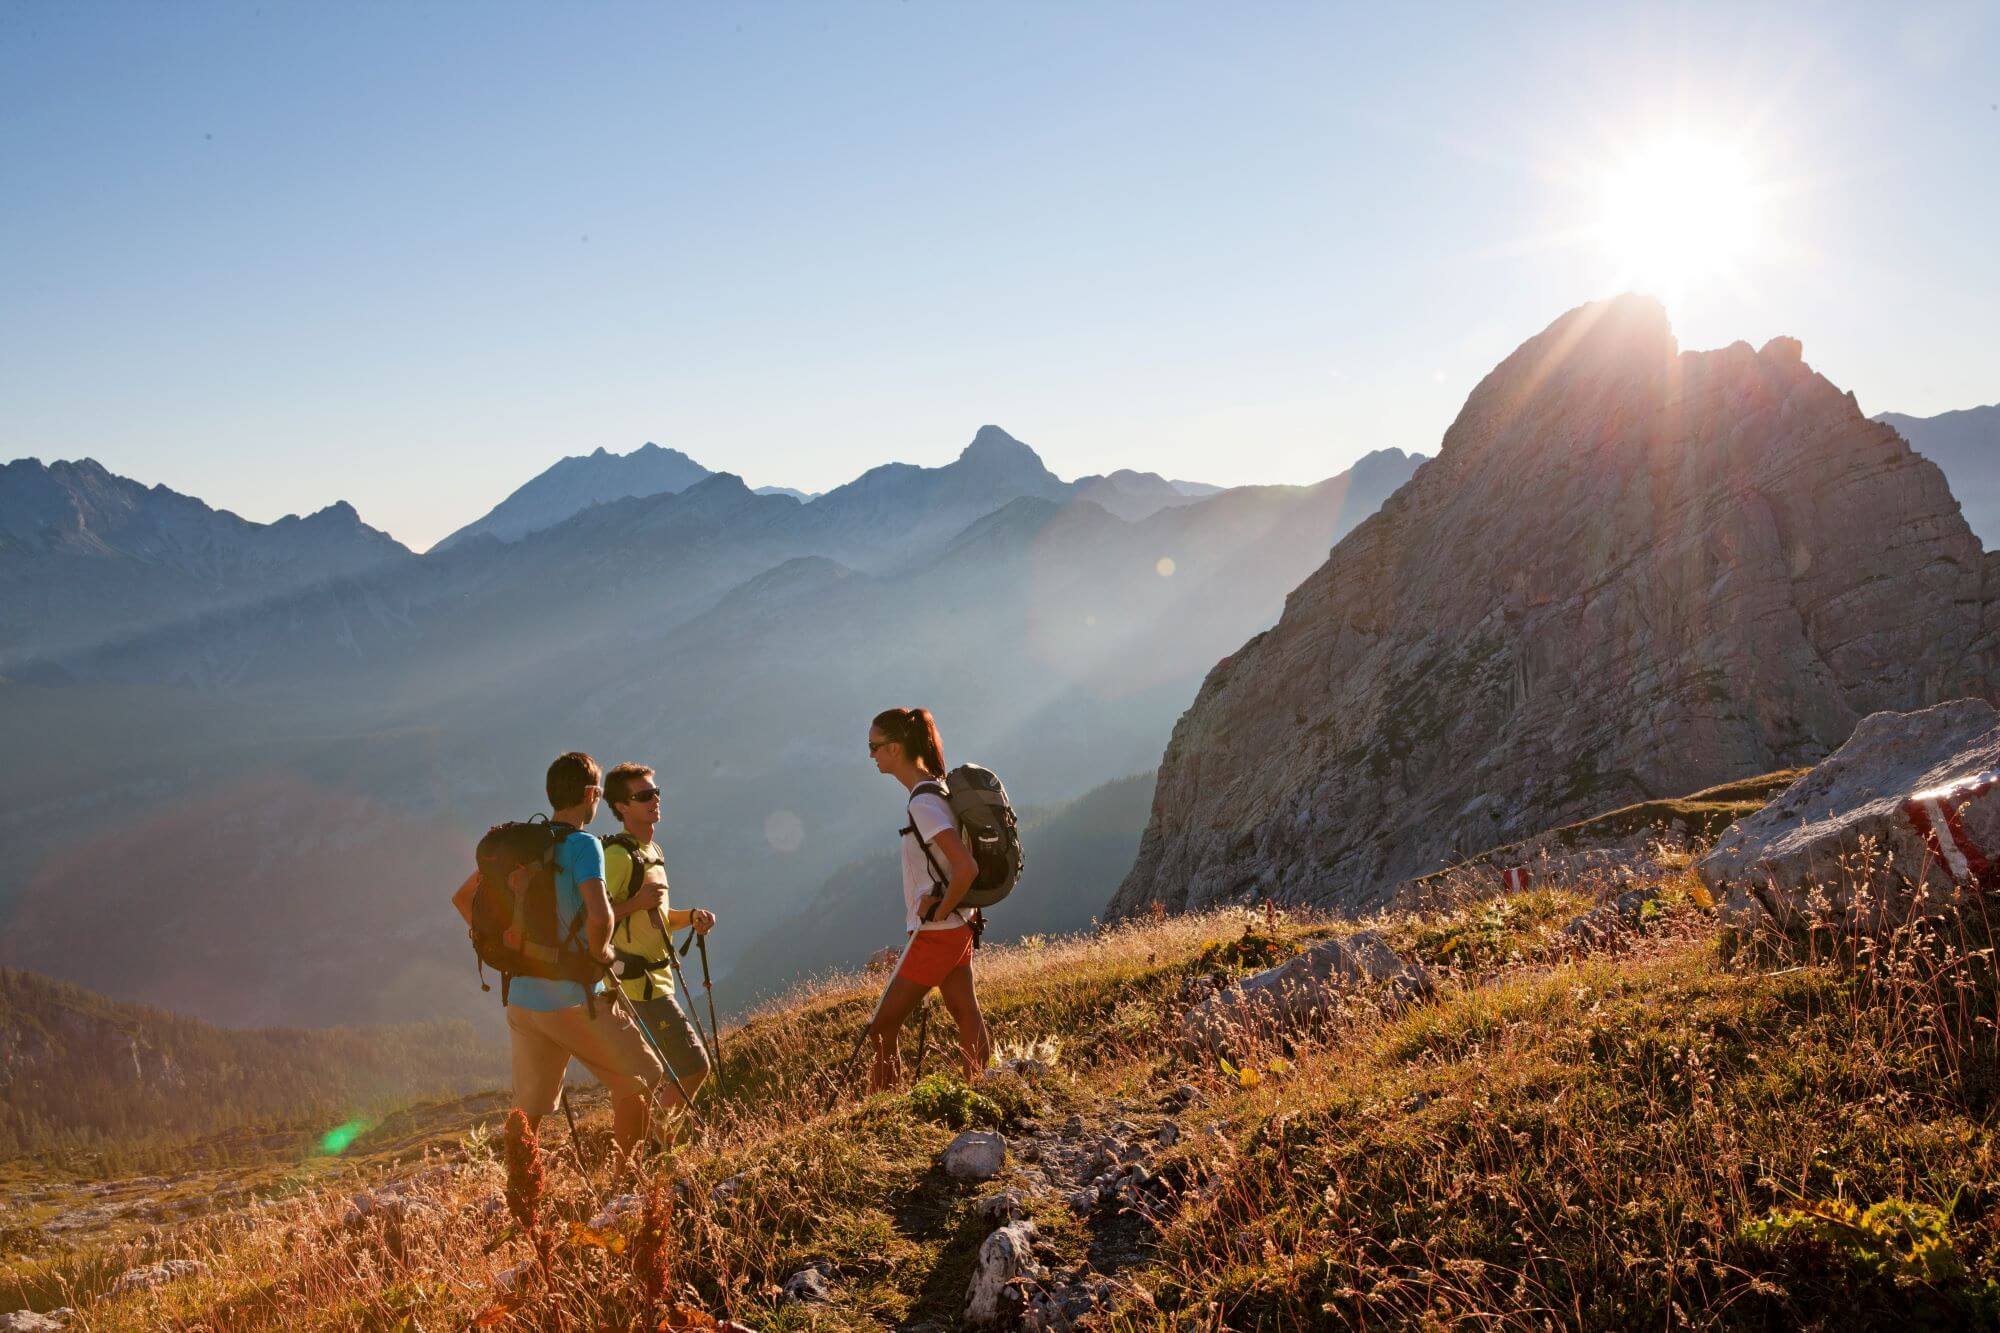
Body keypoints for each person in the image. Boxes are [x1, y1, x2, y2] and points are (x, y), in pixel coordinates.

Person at [451, 752, 663, 1162]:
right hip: (572, 996)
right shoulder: (584, 845)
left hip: (523, 998)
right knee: (639, 1079)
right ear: (589, 794)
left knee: (527, 1111)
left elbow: (462, 898)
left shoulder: (519, 846)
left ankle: (522, 1192)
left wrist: (514, 946)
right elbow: (599, 915)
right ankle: (628, 1188)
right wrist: (600, 953)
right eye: (598, 793)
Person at [862, 707, 992, 1091]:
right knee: (964, 1011)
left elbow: (965, 866)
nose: (871, 756)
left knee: (882, 1027)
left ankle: (884, 1111)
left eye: (874, 747)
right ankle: (979, 1089)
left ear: (896, 748)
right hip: (960, 924)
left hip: (939, 931)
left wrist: (940, 908)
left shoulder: (923, 803)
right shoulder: (940, 790)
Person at [601, 761, 715, 1111]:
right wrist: (635, 901)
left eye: (656, 792)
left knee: (664, 1072)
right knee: (694, 1067)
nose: (655, 800)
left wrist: (691, 917)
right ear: (621, 806)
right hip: (637, 985)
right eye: (644, 795)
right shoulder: (618, 856)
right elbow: (588, 917)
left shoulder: (653, 851)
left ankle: (657, 1144)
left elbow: (658, 917)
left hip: (656, 979)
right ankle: (661, 1144)